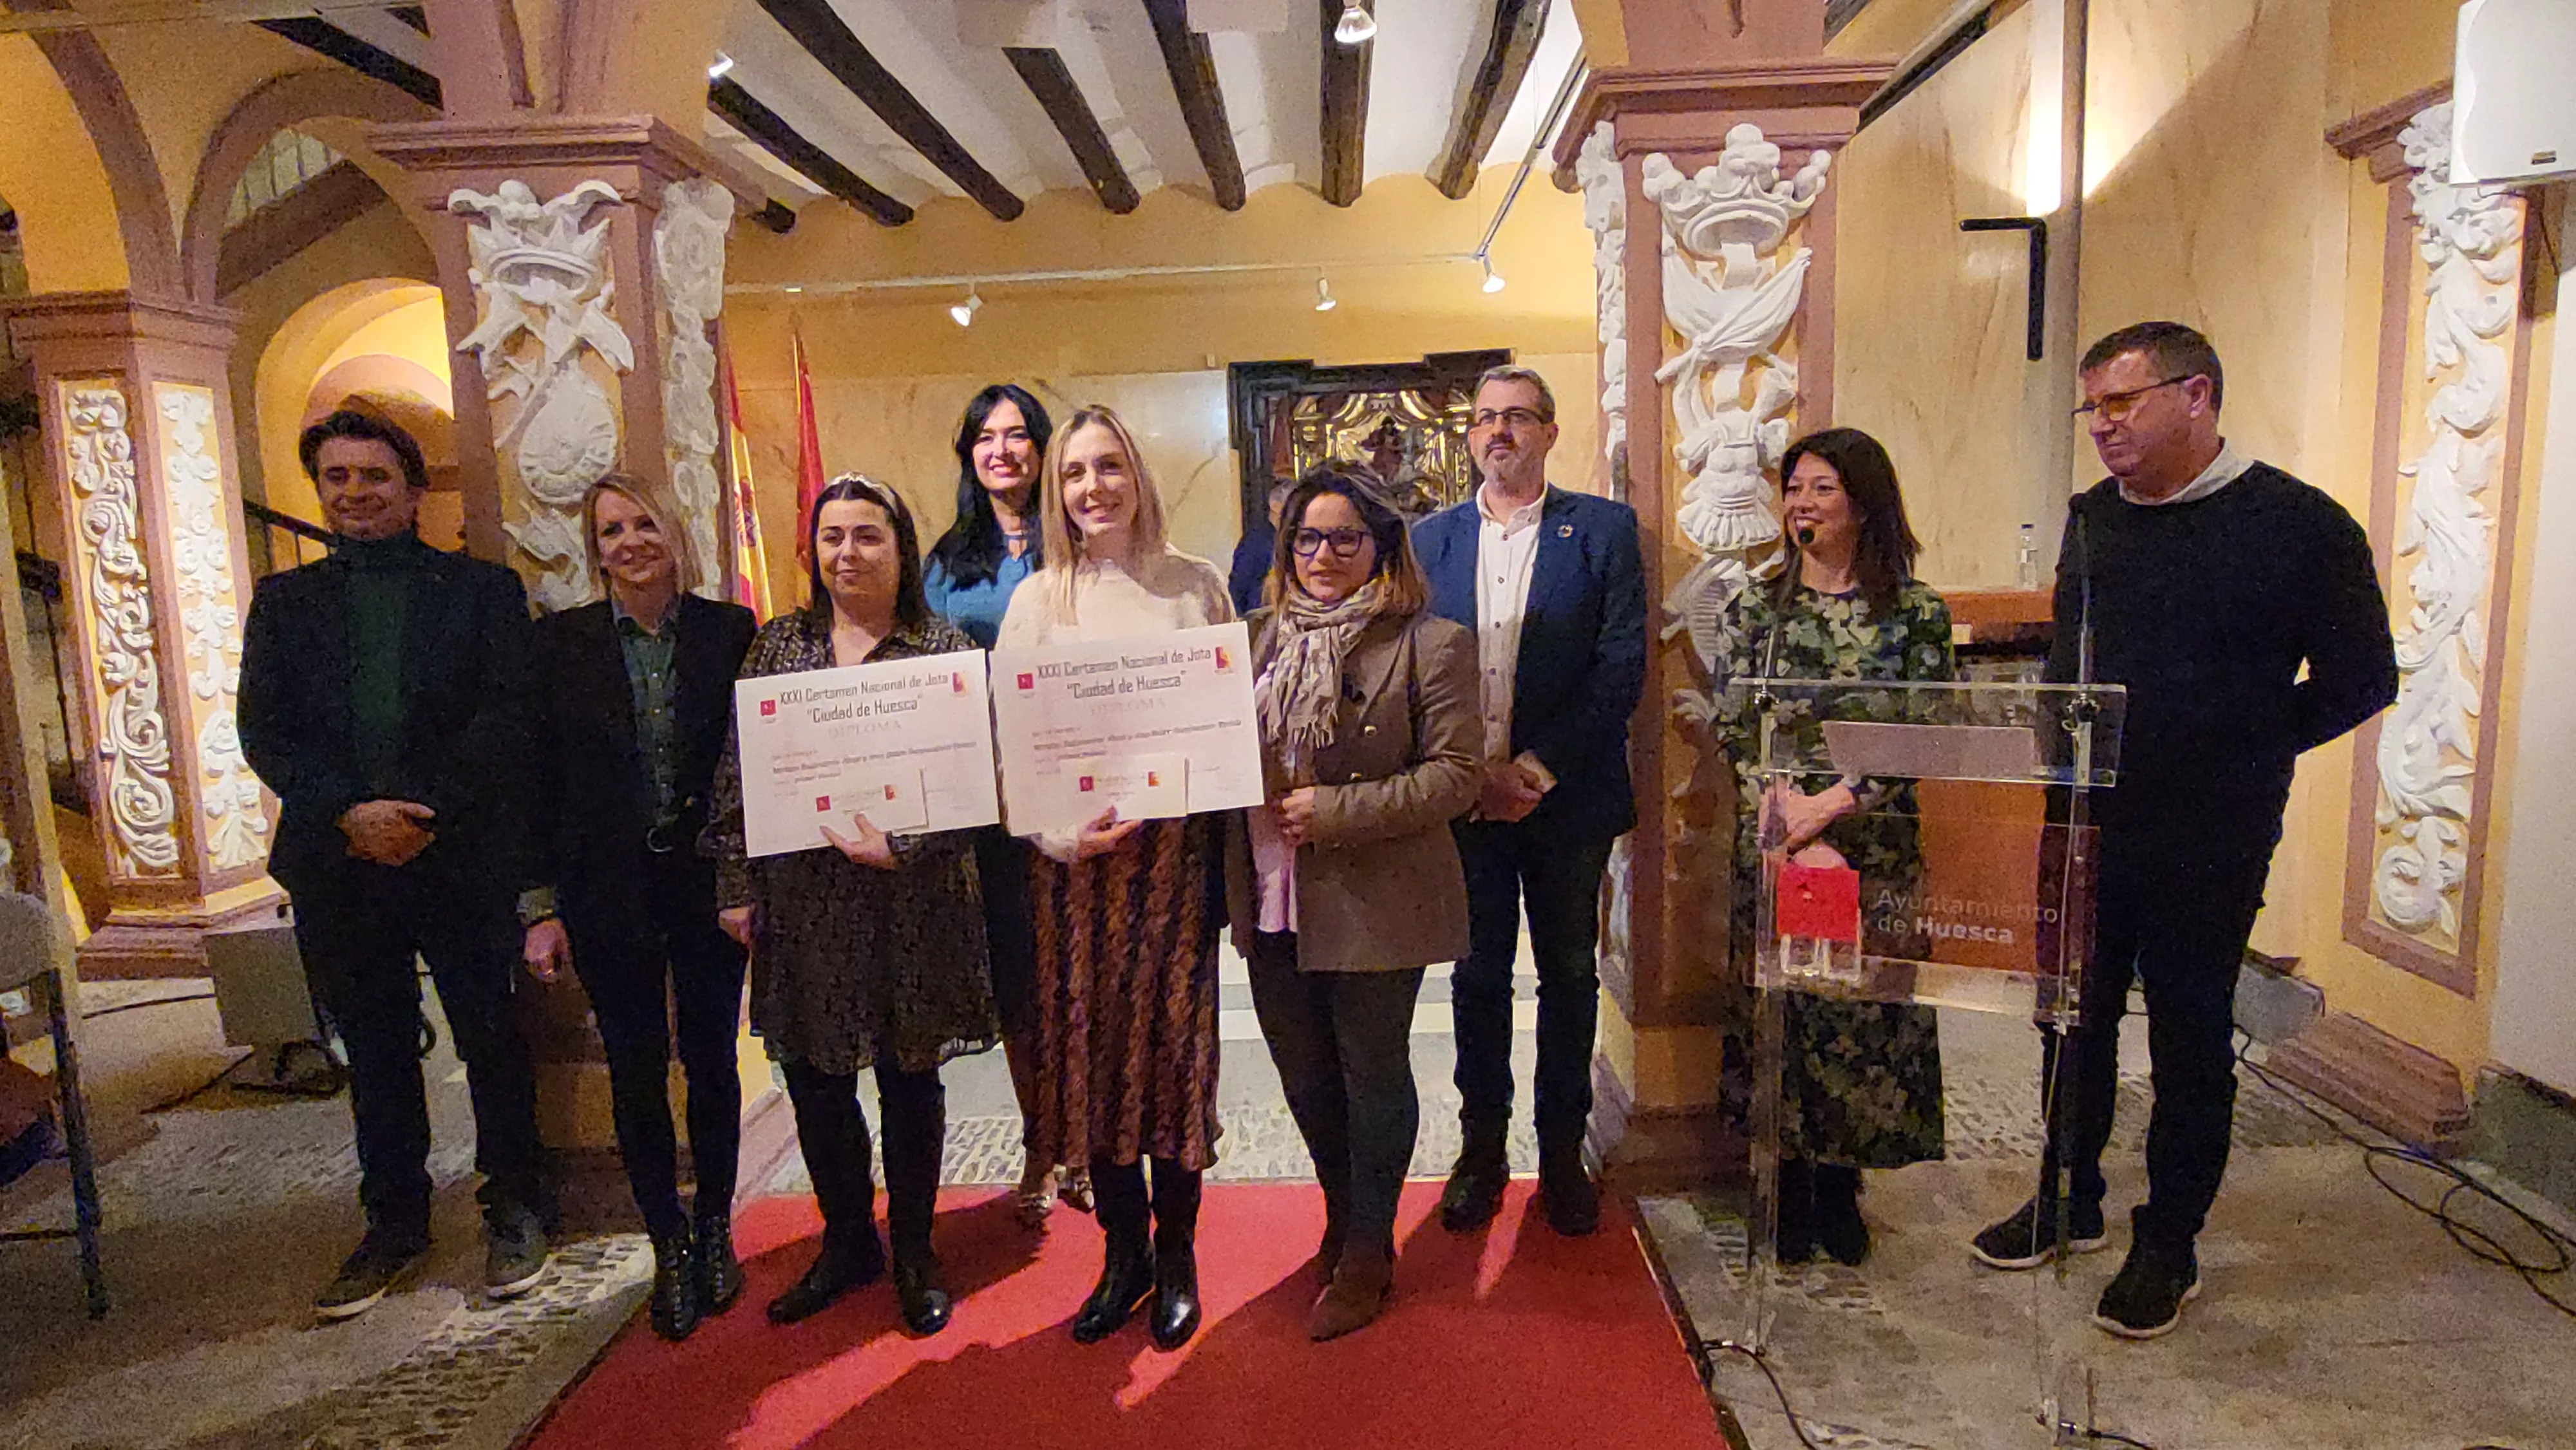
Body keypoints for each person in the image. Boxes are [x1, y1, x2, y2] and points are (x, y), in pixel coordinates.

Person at [1970, 322, 2396, 1339]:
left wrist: (2249, 745)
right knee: (2069, 1015)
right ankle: (2068, 1194)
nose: (2102, 428)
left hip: (2211, 828)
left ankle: (2170, 1241)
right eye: (2094, 410)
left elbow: (2362, 678)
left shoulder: (2299, 525)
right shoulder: (2093, 522)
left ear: (2196, 395)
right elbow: (2070, 668)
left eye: (2121, 404)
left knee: (2190, 1031)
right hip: (2085, 819)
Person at [238, 409, 550, 1320]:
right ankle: (394, 1223)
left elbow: (505, 717)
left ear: (414, 490)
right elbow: (267, 731)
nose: (354, 493)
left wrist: (422, 811)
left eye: (373, 476)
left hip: (456, 853)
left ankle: (515, 1206)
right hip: (338, 858)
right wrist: (349, 812)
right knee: (375, 1050)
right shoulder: (284, 605)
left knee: (490, 1039)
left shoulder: (482, 594)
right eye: (336, 478)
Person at [706, 474, 1000, 1337]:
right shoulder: (776, 649)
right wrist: (732, 886)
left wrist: (904, 845)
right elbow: (738, 773)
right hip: (805, 906)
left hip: (913, 902)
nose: (848, 553)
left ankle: (914, 1249)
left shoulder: (940, 649)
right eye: (832, 537)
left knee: (911, 1078)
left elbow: (970, 784)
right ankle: (846, 1242)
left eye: (867, 535)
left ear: (901, 548)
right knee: (816, 1079)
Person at [996, 404, 1233, 1350]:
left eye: (1109, 468)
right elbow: (1010, 756)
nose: (1093, 488)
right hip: (1074, 880)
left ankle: (1178, 1260)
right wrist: (1059, 836)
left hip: (1173, 872)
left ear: (1138, 475)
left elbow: (1224, 732)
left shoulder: (1196, 587)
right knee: (1092, 1069)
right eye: (1074, 473)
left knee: (1174, 1064)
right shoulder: (1036, 602)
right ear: (1056, 492)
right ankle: (1121, 1257)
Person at [1224, 468, 1480, 1340]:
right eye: (1306, 538)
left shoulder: (1432, 642)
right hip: (1268, 892)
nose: (1323, 555)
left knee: (1371, 1074)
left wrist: (1335, 812)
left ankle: (1369, 1248)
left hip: (1374, 894)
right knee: (1304, 1077)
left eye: (1343, 538)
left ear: (1380, 546)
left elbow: (1456, 775)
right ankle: (1343, 1213)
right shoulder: (1251, 639)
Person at [519, 476, 756, 1341]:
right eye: (610, 529)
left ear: (673, 531)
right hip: (605, 889)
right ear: (595, 547)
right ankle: (669, 1243)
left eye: (644, 522)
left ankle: (718, 1227)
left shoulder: (729, 631)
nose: (629, 541)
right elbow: (535, 783)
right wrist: (540, 907)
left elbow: (752, 764)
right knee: (635, 1067)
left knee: (713, 1062)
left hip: (704, 887)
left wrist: (746, 881)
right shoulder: (560, 646)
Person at [1710, 428, 1953, 1267]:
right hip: (1778, 842)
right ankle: (1786, 1182)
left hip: (1872, 841)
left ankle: (1843, 1185)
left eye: (1822, 489)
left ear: (1864, 500)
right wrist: (1783, 814)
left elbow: (1924, 727)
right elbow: (1734, 724)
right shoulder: (1754, 606)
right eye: (1795, 489)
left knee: (1858, 1012)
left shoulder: (1916, 613)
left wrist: (1836, 806)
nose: (1803, 505)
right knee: (1784, 1010)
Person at [1414, 365, 1647, 1237]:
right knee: (1475, 981)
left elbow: (1621, 665)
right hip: (1463, 806)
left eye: (1517, 418)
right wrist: (1470, 772)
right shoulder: (1427, 542)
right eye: (1484, 419)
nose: (1498, 432)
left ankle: (1559, 1156)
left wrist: (1534, 771)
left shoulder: (1603, 531)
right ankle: (1481, 1154)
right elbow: (1413, 671)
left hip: (1568, 800)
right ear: (1470, 436)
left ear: (1549, 432)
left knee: (1570, 978)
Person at [922, 384, 1083, 1226]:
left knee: (1081, 972)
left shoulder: (1085, 545)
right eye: (987, 437)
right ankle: (1039, 1143)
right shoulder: (947, 561)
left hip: (1079, 785)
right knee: (1021, 977)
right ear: (969, 454)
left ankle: (1091, 1139)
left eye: (1019, 435)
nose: (1004, 451)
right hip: (989, 802)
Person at [1228, 476, 1293, 617]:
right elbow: (1238, 590)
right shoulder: (1256, 542)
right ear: (1275, 505)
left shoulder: (1291, 538)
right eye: (1292, 503)